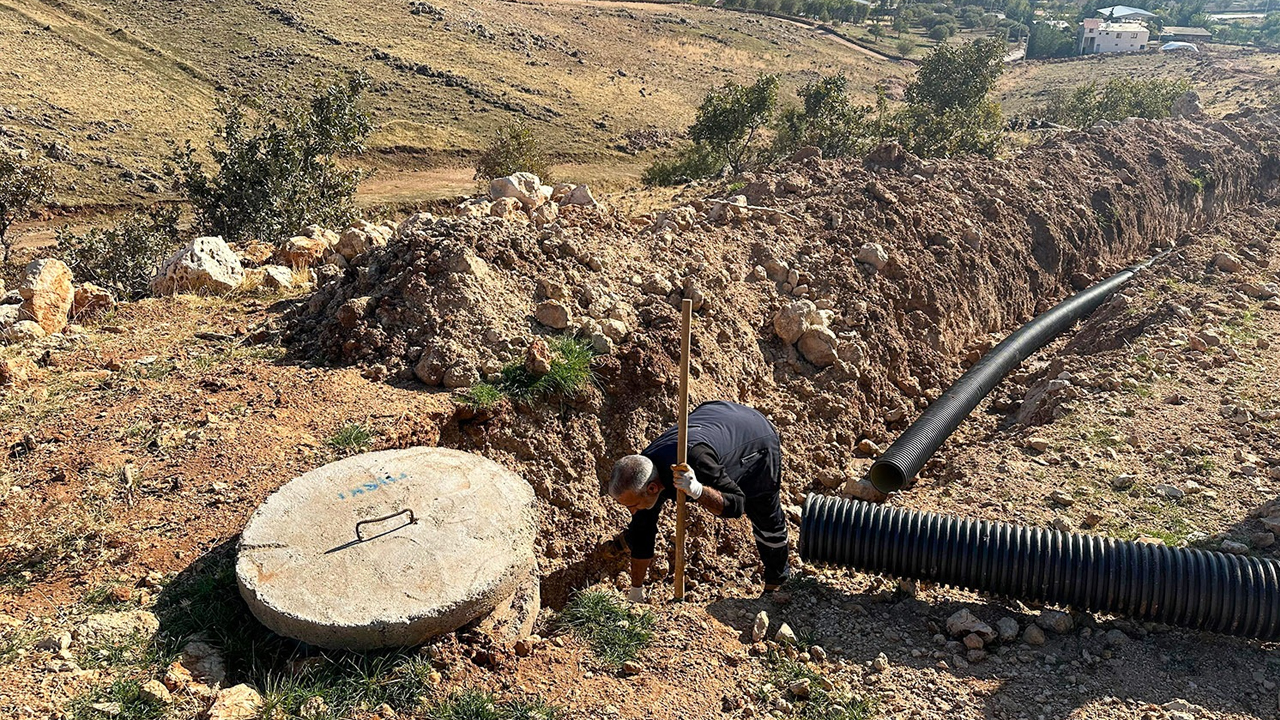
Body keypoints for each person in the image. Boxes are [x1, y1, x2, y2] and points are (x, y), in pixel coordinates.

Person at [607, 400, 789, 601]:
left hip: (755, 438)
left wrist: (697, 490)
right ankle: (628, 541)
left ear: (652, 488)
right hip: (714, 416)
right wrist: (635, 592)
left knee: (763, 509)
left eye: (632, 506)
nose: (631, 511)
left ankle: (777, 583)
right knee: (642, 520)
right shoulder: (646, 468)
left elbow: (736, 505)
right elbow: (644, 527)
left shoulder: (696, 460)